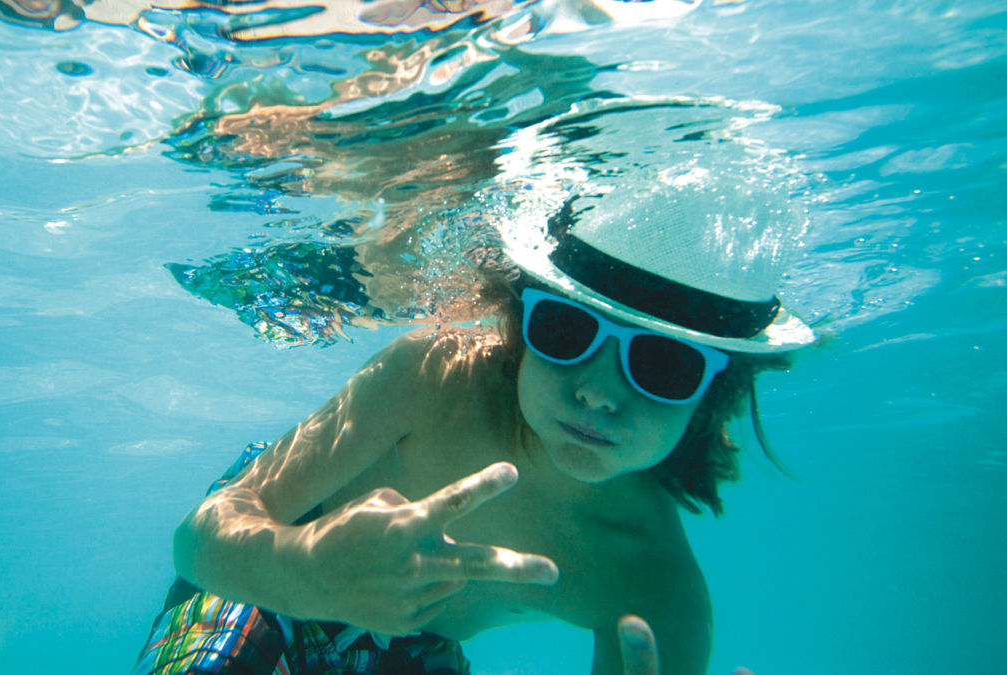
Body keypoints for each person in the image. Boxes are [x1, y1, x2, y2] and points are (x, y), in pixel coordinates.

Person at [131, 157, 815, 675]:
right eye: (568, 330)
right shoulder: (435, 376)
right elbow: (200, 542)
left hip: (416, 647)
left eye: (665, 364)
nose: (599, 392)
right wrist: (311, 572)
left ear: (713, 393)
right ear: (520, 326)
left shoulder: (658, 590)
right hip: (266, 564)